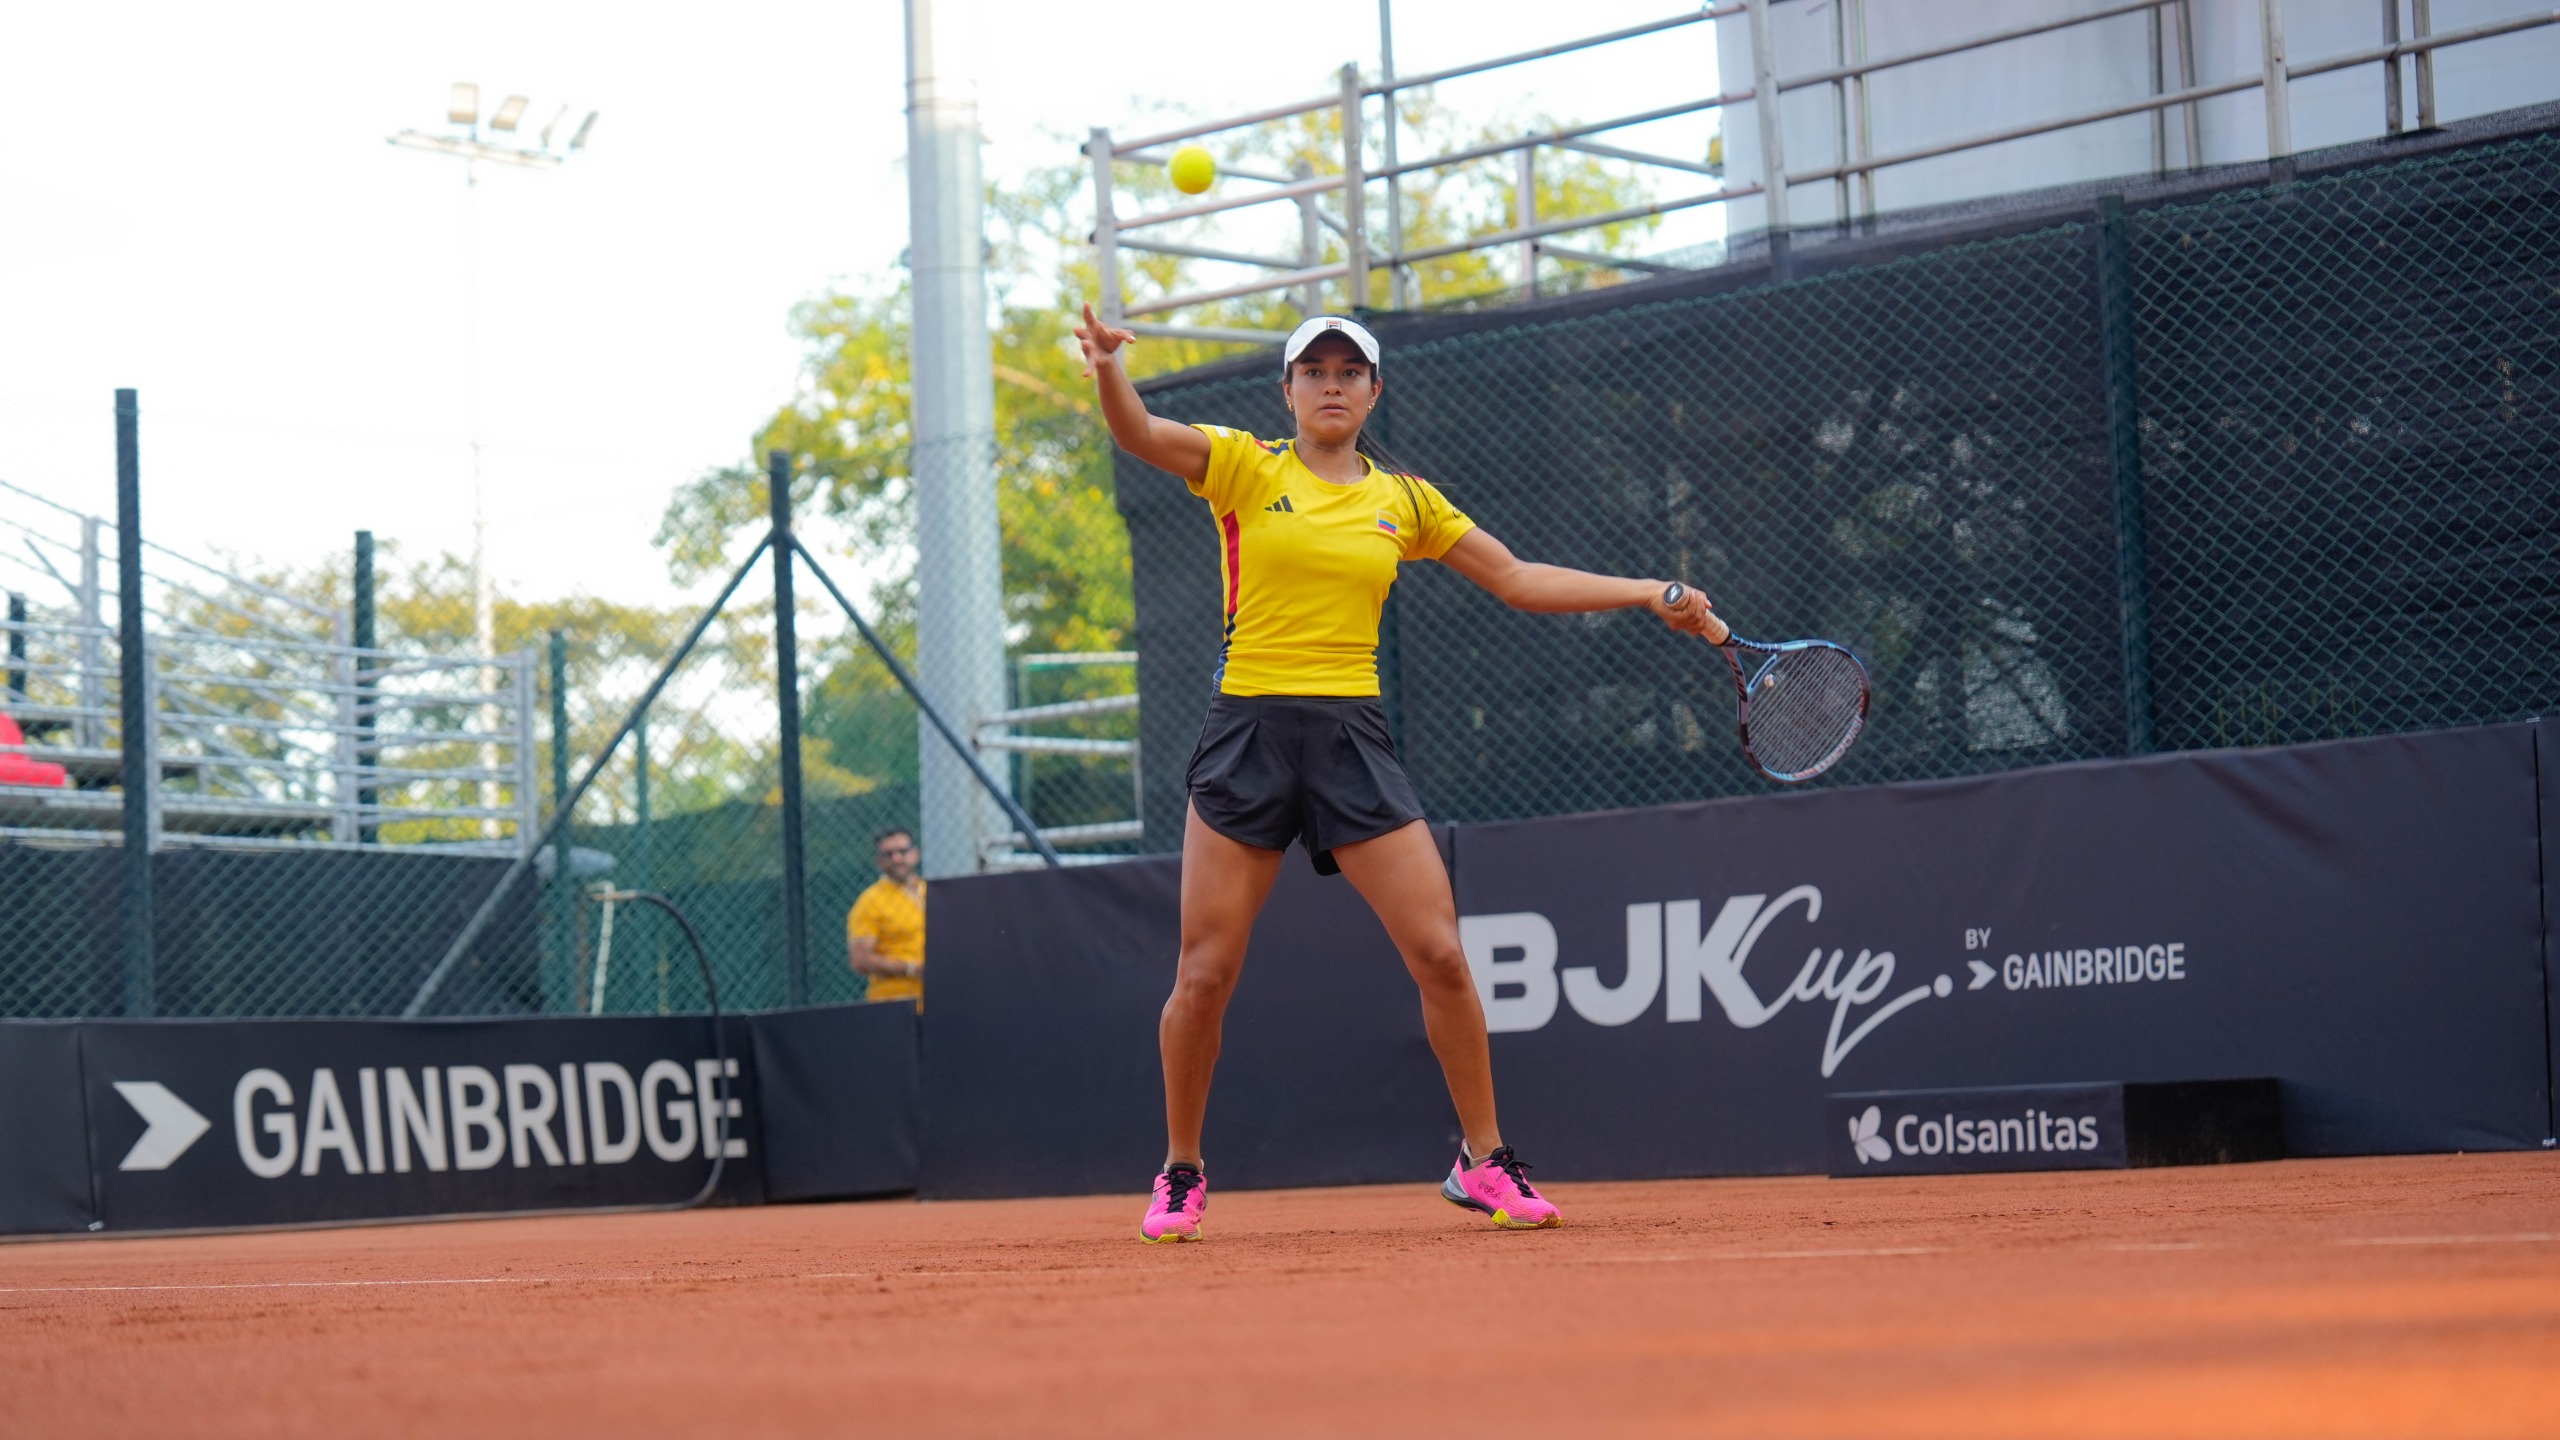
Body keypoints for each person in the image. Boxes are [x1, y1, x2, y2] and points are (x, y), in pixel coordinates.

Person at [1072, 307, 1721, 1243]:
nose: (1331, 383)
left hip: (1350, 739)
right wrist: (1106, 369)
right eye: (1313, 370)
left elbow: (1518, 578)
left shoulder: (1407, 501)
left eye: (1350, 370)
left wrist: (1647, 592)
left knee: (1443, 955)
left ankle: (1482, 1160)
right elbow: (1136, 432)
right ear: (1287, 391)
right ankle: (1181, 1168)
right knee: (1205, 973)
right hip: (1247, 733)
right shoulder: (1244, 466)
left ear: (1375, 391)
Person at [847, 828, 926, 1006]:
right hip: (896, 1004)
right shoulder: (870, 901)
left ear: (916, 854)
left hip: (942, 1000)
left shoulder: (931, 892)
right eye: (889, 854)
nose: (897, 859)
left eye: (903, 852)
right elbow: (860, 959)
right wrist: (912, 969)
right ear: (880, 862)